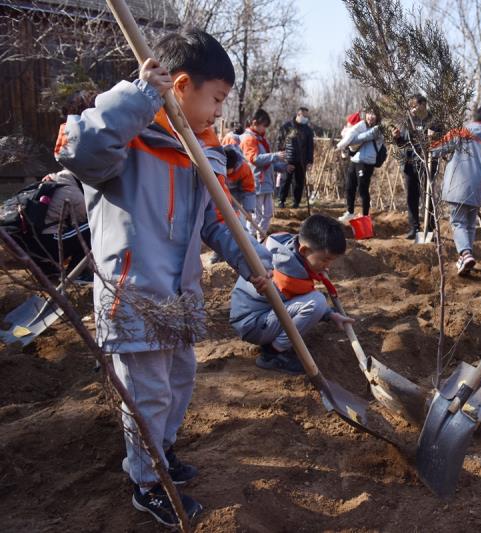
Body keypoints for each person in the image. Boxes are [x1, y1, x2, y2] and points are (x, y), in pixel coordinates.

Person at [56, 29, 273, 527]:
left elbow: (217, 221)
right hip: (133, 293)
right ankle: (147, 480)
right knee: (147, 392)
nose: (220, 112)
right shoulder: (126, 140)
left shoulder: (203, 151)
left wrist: (254, 264)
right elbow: (79, 148)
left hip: (181, 292)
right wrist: (137, 96)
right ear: (180, 86)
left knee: (179, 380)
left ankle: (162, 451)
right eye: (216, 99)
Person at [229, 214, 353, 373]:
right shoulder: (288, 276)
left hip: (249, 312)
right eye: (325, 260)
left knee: (317, 302)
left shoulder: (284, 241)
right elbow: (309, 304)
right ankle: (272, 354)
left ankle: (273, 344)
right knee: (318, 302)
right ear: (304, 249)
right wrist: (326, 312)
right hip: (252, 324)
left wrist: (331, 315)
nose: (328, 267)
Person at [434, 105, 481, 275]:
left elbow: (436, 149)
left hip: (458, 186)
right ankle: (465, 260)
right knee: (469, 224)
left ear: (474, 118)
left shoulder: (460, 132)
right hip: (479, 188)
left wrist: (431, 141)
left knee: (458, 222)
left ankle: (465, 254)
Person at [391, 94, 441, 239]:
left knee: (428, 196)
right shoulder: (407, 121)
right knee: (411, 197)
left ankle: (430, 230)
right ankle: (414, 228)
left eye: (415, 106)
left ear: (424, 105)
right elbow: (403, 144)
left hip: (428, 163)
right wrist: (397, 138)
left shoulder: (434, 120)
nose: (412, 109)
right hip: (409, 163)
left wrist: (435, 136)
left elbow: (443, 140)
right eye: (411, 106)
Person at [240, 109, 287, 238]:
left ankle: (261, 237)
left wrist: (282, 167)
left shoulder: (260, 138)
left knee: (267, 214)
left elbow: (268, 163)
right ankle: (250, 240)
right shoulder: (249, 138)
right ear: (254, 123)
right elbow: (255, 159)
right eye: (263, 125)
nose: (264, 128)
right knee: (256, 215)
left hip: (266, 182)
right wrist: (275, 156)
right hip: (255, 182)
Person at [336, 106, 384, 222]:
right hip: (355, 160)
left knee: (363, 189)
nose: (370, 117)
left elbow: (363, 137)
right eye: (369, 114)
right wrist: (349, 135)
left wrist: (348, 137)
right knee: (349, 187)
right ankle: (350, 212)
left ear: (377, 117)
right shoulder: (362, 125)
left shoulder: (378, 129)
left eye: (374, 114)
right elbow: (353, 135)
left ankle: (365, 216)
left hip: (366, 162)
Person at [277, 106, 315, 208]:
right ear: (298, 114)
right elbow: (280, 143)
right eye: (304, 116)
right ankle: (281, 200)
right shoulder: (286, 127)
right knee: (285, 181)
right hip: (288, 159)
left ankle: (296, 202)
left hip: (302, 160)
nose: (306, 118)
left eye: (307, 116)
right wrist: (281, 157)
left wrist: (310, 161)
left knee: (299, 182)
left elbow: (310, 147)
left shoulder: (308, 130)